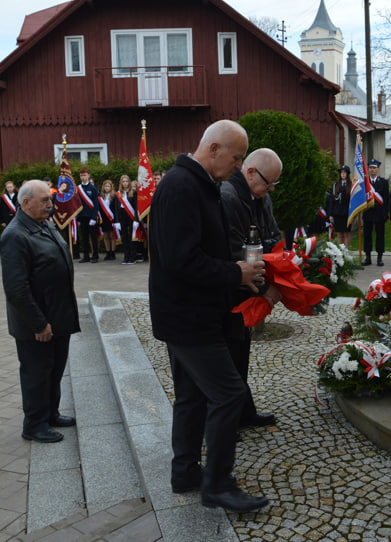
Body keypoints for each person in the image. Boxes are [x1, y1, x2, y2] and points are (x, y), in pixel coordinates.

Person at [149, 119, 269, 513]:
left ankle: (185, 471)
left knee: (191, 396)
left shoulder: (202, 186)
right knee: (229, 393)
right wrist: (235, 272)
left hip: (188, 312)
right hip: (188, 316)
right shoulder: (182, 187)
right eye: (235, 157)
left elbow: (204, 251)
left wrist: (238, 272)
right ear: (214, 149)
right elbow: (181, 260)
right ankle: (218, 484)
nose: (238, 166)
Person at [0, 180, 80, 443]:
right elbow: (16, 289)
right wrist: (39, 324)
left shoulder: (44, 223)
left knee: (54, 370)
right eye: (44, 200)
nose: (50, 204)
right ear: (25, 203)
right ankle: (34, 424)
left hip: (57, 316)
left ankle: (50, 413)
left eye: (50, 199)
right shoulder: (15, 235)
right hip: (37, 323)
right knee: (36, 373)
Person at [220, 148, 283, 428]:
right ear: (250, 172)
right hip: (231, 289)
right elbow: (234, 251)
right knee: (229, 358)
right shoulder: (228, 197)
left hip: (247, 287)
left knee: (241, 350)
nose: (270, 189)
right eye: (268, 182)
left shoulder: (258, 196)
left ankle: (244, 412)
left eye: (273, 184)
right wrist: (266, 287)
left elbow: (271, 236)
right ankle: (228, 421)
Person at [362, 159, 389, 267]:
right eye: (370, 168)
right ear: (368, 169)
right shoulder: (365, 182)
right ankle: (367, 257)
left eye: (374, 168)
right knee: (367, 235)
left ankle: (379, 257)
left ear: (378, 169)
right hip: (368, 212)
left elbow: (386, 199)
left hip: (379, 213)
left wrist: (386, 213)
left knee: (380, 235)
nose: (372, 170)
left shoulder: (383, 182)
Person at [75, 167, 100, 263]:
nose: (83, 177)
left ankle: (95, 255)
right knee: (84, 238)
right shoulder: (78, 189)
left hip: (91, 217)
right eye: (81, 175)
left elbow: (96, 204)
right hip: (82, 216)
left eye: (84, 175)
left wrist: (94, 217)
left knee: (93, 237)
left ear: (88, 175)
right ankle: (86, 256)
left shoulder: (93, 188)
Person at [328, 165, 351, 247]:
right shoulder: (335, 185)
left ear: (347, 174)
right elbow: (332, 200)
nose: (343, 174)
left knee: (346, 234)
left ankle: (347, 252)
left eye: (344, 172)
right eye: (341, 172)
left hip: (347, 213)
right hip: (337, 213)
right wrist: (330, 214)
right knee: (339, 234)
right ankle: (341, 253)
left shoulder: (351, 185)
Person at [97, 179, 118, 260]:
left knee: (112, 235)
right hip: (104, 218)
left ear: (111, 187)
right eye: (105, 186)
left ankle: (113, 252)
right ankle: (108, 252)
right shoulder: (101, 196)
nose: (107, 188)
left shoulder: (114, 196)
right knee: (105, 235)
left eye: (108, 186)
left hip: (111, 218)